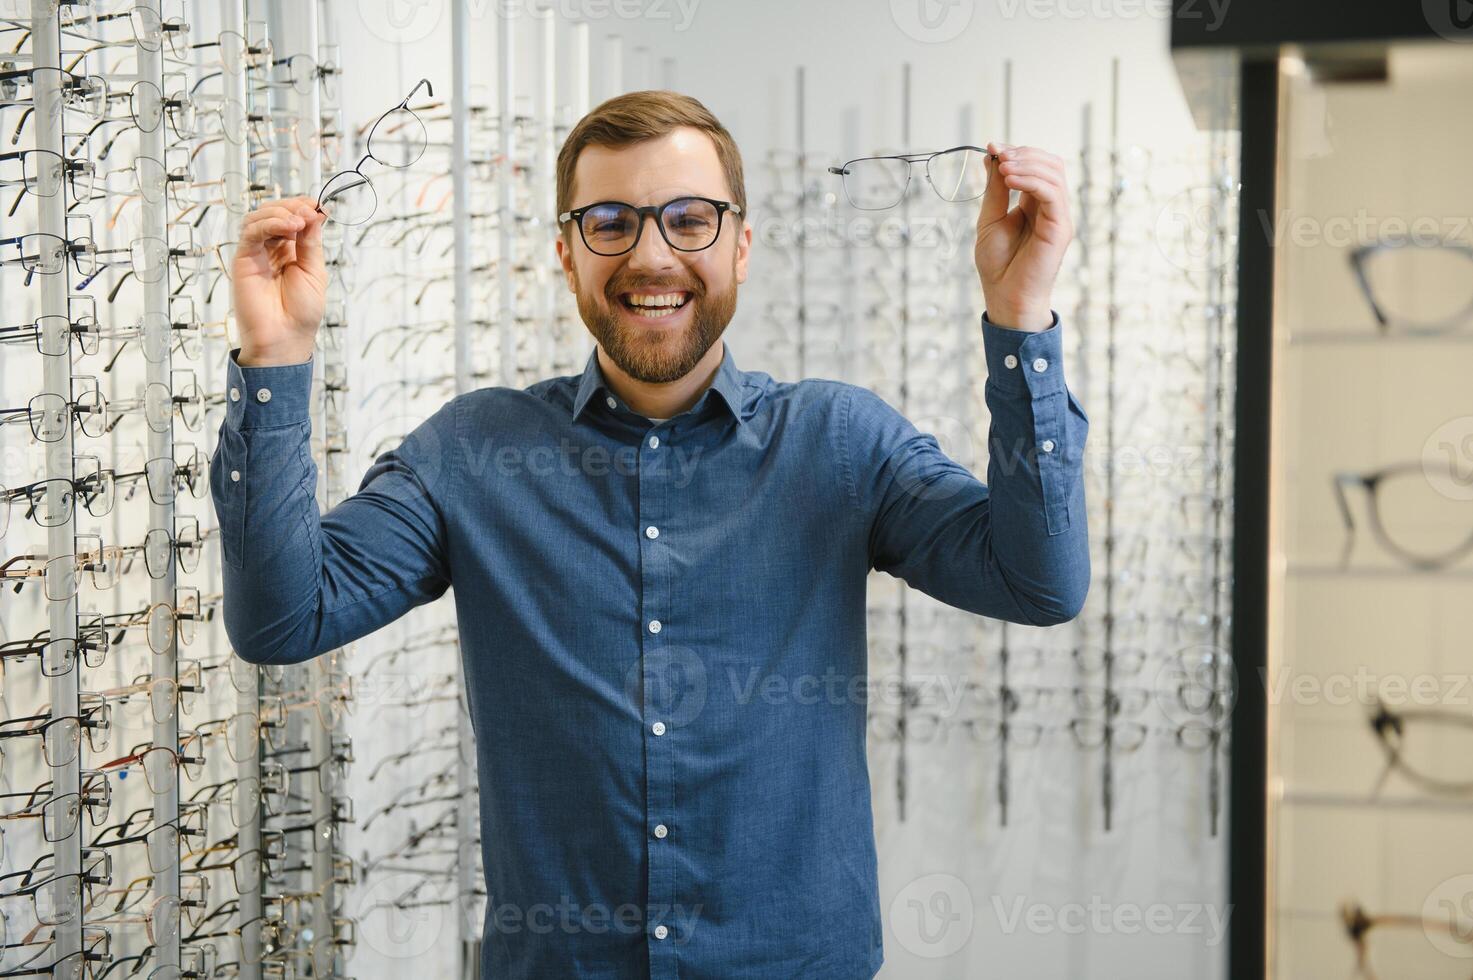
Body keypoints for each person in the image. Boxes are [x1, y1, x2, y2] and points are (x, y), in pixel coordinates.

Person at [214, 89, 1088, 979]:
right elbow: (284, 620)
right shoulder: (473, 453)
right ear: (566, 255)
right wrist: (276, 359)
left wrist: (1020, 320)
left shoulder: (841, 443)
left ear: (740, 246)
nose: (651, 254)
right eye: (609, 222)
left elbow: (1036, 581)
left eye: (688, 219)